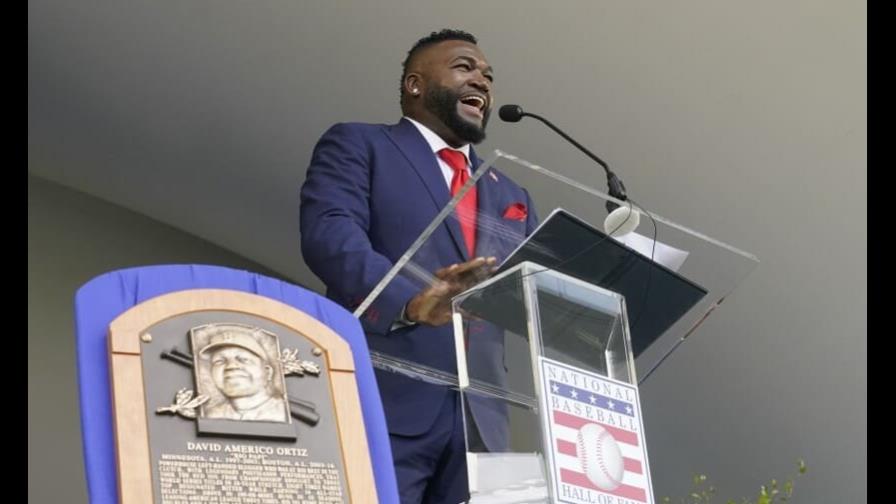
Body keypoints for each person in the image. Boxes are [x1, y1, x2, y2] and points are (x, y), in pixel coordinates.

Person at [300, 29, 538, 503]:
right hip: (384, 400)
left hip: (482, 426)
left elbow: (524, 293)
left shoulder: (512, 194)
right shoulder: (361, 145)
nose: (484, 82)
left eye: (489, 76)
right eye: (466, 67)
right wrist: (408, 301)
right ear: (415, 84)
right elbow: (331, 235)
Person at [198, 327, 289, 422]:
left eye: (243, 359)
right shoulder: (212, 415)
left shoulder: (284, 412)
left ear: (268, 372)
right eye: (219, 361)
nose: (231, 366)